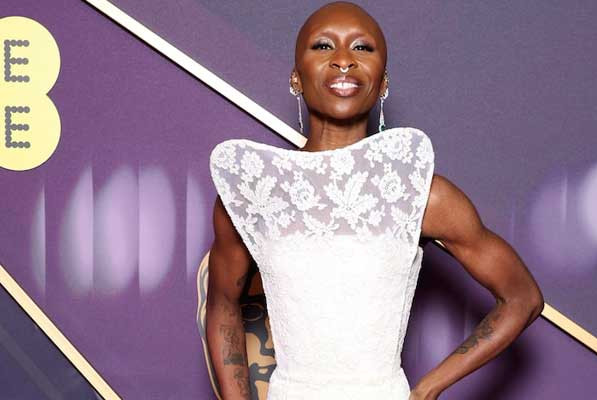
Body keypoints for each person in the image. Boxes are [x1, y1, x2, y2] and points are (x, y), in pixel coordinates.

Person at [205, 2, 544, 399]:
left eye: (362, 48)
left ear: (382, 83)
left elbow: (522, 297)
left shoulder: (420, 192)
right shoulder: (253, 192)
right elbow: (222, 303)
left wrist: (427, 389)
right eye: (323, 46)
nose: (343, 60)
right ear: (296, 78)